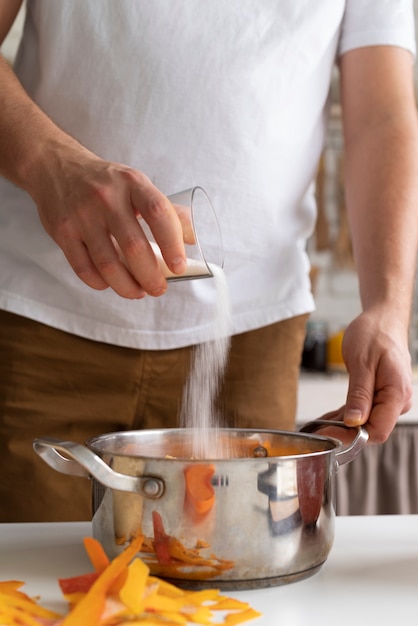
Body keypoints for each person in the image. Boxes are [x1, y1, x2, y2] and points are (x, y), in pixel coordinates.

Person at [0, 0, 417, 522]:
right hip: (43, 319)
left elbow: (381, 117)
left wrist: (387, 307)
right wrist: (49, 164)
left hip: (254, 335)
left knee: (238, 578)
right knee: (26, 587)